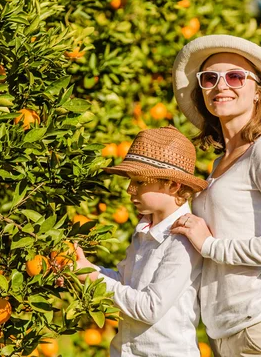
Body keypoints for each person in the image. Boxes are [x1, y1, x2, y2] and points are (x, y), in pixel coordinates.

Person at [170, 34, 261, 357]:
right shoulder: (219, 163)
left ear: (258, 93)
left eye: (235, 76)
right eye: (210, 78)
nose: (221, 85)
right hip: (222, 335)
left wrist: (211, 246)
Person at [75, 126, 208, 357]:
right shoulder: (144, 230)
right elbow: (124, 282)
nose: (129, 189)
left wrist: (93, 277)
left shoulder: (183, 239)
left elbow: (150, 308)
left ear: (173, 185)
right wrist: (83, 269)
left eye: (139, 182)